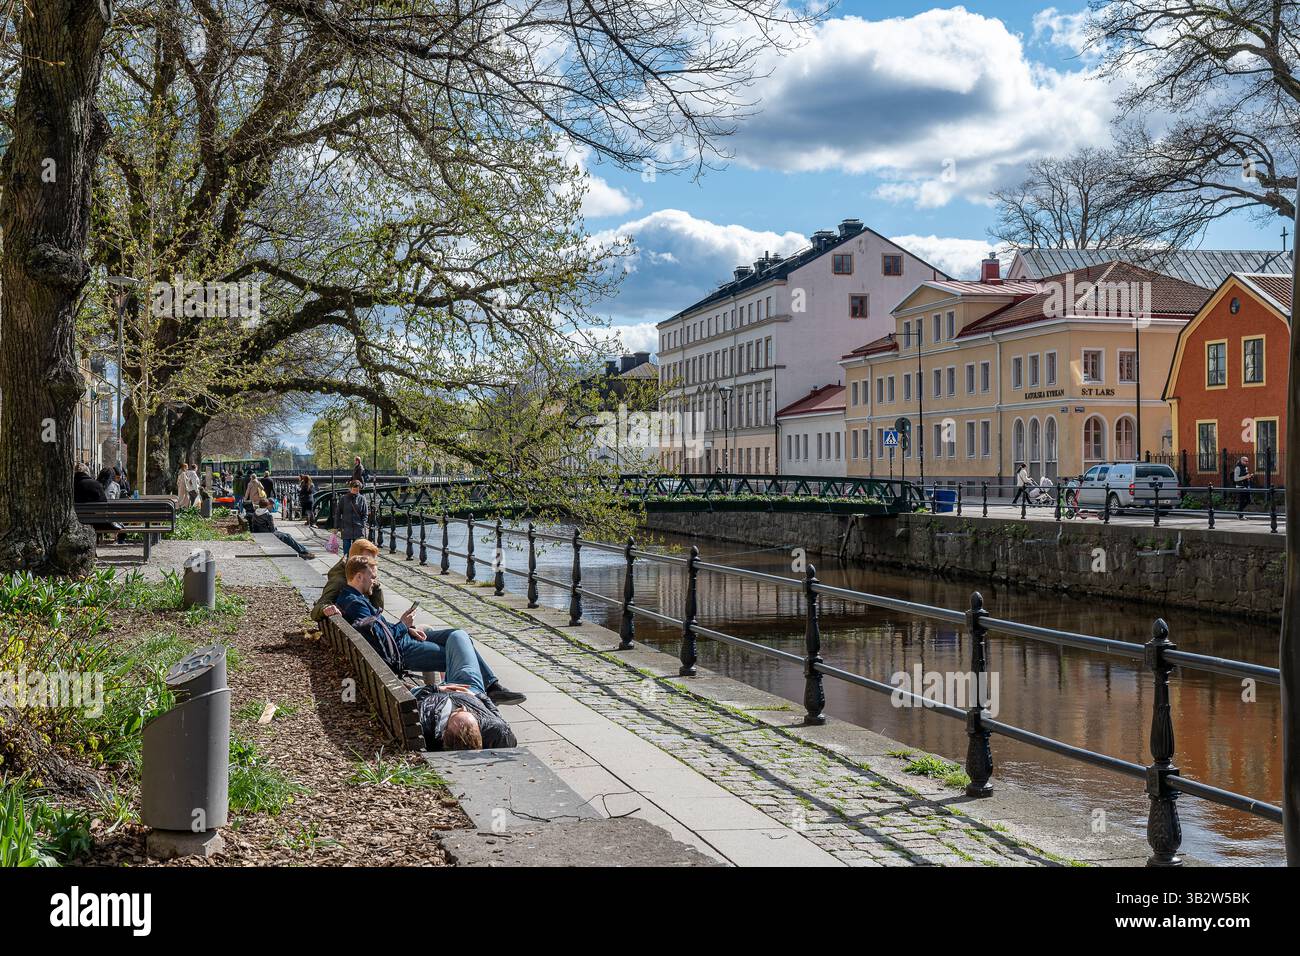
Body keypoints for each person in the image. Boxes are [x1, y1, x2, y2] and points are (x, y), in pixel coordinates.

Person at [323, 556, 525, 704]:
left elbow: (379, 631)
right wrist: (402, 625)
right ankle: (481, 692)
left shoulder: (355, 598)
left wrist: (406, 628)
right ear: (359, 577)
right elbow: (380, 642)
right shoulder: (354, 603)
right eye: (372, 576)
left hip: (402, 639)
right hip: (401, 652)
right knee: (461, 652)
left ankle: (491, 687)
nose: (375, 580)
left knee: (458, 634)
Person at [312, 539, 386, 622]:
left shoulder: (365, 576)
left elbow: (377, 611)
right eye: (366, 559)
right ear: (355, 558)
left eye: (372, 560)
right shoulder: (340, 581)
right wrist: (325, 608)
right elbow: (316, 611)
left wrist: (375, 587)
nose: (370, 563)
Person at [336, 479, 368, 555]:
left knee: (357, 552)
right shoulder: (344, 499)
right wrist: (337, 526)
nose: (356, 491)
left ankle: (355, 566)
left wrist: (362, 524)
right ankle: (347, 565)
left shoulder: (362, 499)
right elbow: (338, 513)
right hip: (346, 528)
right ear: (350, 489)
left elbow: (365, 513)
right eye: (354, 490)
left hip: (358, 528)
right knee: (346, 552)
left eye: (358, 490)